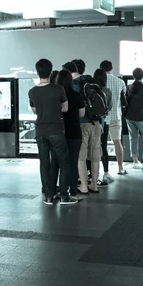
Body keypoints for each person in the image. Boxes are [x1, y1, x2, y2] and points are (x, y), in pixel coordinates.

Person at [29, 59, 74, 205]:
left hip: (40, 131)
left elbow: (35, 110)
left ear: (37, 72)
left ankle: (48, 195)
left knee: (44, 163)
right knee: (64, 162)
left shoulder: (32, 91)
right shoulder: (58, 89)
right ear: (50, 72)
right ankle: (64, 195)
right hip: (56, 131)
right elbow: (65, 108)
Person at [63, 61, 101, 194]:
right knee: (95, 156)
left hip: (82, 124)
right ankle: (94, 185)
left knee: (81, 158)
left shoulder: (74, 85)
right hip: (97, 123)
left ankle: (84, 186)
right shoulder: (90, 81)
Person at [55, 69, 84, 202]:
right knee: (73, 163)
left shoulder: (55, 95)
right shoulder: (76, 95)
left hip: (59, 133)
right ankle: (72, 192)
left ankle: (60, 191)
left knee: (60, 163)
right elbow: (82, 114)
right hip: (75, 132)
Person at [100, 60, 128, 176]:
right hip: (115, 116)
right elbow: (123, 99)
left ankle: (103, 170)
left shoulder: (99, 81)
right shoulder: (120, 82)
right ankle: (120, 168)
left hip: (102, 117)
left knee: (102, 145)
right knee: (117, 142)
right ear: (111, 68)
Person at [93, 69, 113, 186]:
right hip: (103, 122)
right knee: (103, 147)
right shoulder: (107, 91)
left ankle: (93, 174)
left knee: (93, 148)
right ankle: (106, 172)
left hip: (92, 123)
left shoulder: (90, 89)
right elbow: (109, 107)